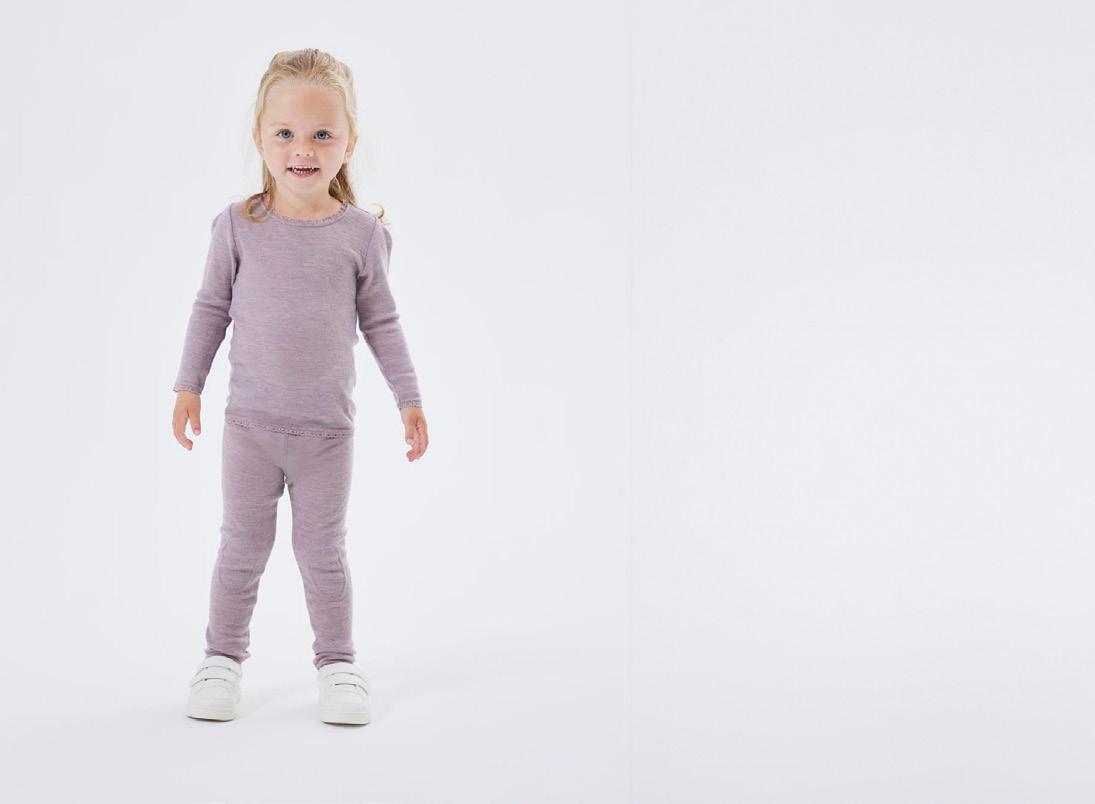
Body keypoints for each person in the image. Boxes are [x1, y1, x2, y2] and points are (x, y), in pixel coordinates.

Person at [172, 48, 428, 725]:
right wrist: (188, 384)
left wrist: (408, 398)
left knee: (323, 553)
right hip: (250, 430)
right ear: (259, 139)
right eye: (284, 133)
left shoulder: (362, 235)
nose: (302, 149)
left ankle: (338, 665)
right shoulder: (237, 226)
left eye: (321, 134)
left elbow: (383, 322)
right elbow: (210, 308)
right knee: (241, 548)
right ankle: (220, 660)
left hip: (325, 436)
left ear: (349, 142)